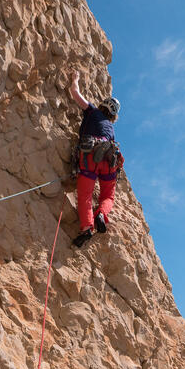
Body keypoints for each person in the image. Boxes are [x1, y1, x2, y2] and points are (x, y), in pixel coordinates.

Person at [69, 70, 123, 248]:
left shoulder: (92, 112)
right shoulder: (111, 129)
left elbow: (75, 94)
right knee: (108, 195)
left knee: (85, 193)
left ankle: (86, 227)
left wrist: (75, 79)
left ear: (103, 106)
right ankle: (101, 213)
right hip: (109, 160)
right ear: (113, 115)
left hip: (91, 155)